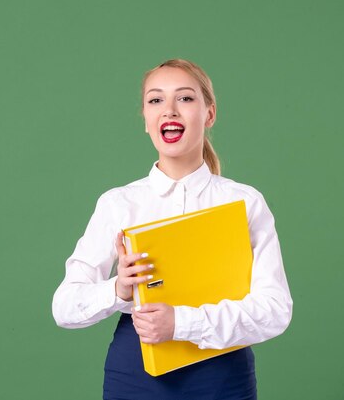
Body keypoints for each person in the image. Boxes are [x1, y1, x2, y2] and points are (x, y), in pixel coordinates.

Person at [52, 58, 293, 399]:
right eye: (155, 100)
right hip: (135, 375)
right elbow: (63, 307)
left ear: (209, 114)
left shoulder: (244, 203)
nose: (169, 110)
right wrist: (119, 289)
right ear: (146, 121)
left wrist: (181, 323)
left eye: (185, 98)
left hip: (223, 377)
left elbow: (275, 310)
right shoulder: (118, 204)